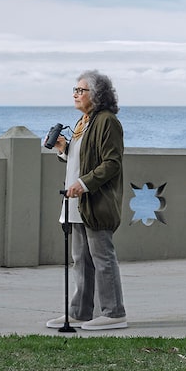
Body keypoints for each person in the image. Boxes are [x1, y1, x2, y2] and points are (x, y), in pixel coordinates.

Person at [45, 71, 128, 330]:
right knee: (80, 259)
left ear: (97, 95)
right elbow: (82, 159)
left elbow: (111, 163)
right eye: (75, 89)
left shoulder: (107, 122)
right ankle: (80, 312)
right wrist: (64, 149)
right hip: (76, 202)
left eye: (81, 90)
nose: (75, 94)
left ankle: (114, 313)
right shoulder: (84, 122)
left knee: (102, 257)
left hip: (95, 201)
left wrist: (83, 184)